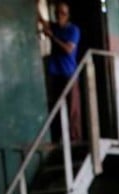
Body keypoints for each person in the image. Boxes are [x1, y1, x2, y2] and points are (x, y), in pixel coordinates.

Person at [38, 2, 81, 142]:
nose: (59, 16)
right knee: (55, 107)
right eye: (57, 13)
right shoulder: (55, 27)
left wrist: (52, 37)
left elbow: (69, 49)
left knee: (72, 110)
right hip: (55, 74)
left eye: (62, 13)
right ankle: (59, 139)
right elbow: (41, 21)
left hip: (69, 74)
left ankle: (74, 140)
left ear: (68, 15)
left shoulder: (73, 30)